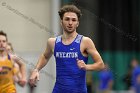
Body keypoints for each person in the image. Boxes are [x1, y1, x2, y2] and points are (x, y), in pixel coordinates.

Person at [29, 4, 104, 93]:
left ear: (77, 23)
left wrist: (86, 67)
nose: (70, 23)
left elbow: (100, 65)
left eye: (73, 20)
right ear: (61, 22)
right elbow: (45, 56)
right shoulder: (52, 42)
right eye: (67, 19)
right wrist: (36, 69)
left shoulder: (85, 41)